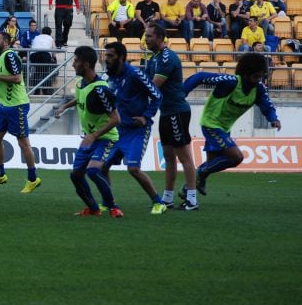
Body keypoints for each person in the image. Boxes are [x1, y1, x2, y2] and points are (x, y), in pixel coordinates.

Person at [183, 53, 280, 197]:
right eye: (255, 77)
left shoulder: (259, 89)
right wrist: (182, 93)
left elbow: (267, 106)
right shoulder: (231, 82)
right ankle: (200, 175)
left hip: (225, 128)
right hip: (211, 124)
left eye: (261, 77)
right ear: (245, 74)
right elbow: (200, 76)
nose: (258, 80)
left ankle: (188, 191)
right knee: (236, 157)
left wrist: (273, 118)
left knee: (211, 163)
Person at [54, 46, 123, 217]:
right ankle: (93, 209)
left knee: (93, 171)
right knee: (76, 175)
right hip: (90, 139)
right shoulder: (81, 84)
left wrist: (93, 135)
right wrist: (64, 106)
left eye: (75, 61)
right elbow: (80, 99)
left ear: (85, 64)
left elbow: (116, 119)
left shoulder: (101, 89)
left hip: (106, 138)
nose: (72, 65)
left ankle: (113, 206)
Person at [103, 42, 167, 214]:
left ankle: (158, 202)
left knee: (133, 169)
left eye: (110, 56)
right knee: (102, 166)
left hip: (137, 131)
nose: (106, 59)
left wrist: (146, 116)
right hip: (118, 130)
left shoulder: (135, 74)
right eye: (106, 55)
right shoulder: (110, 76)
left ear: (121, 57)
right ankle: (109, 202)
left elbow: (157, 95)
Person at [143, 24, 198, 210]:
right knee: (168, 156)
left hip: (177, 111)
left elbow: (153, 85)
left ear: (160, 37)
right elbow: (145, 80)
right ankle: (168, 197)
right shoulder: (154, 58)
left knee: (184, 157)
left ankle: (192, 199)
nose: (146, 39)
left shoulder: (166, 57)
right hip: (166, 111)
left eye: (149, 36)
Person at [0, 32, 41, 193]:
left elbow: (17, 78)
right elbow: (1, 79)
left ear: (6, 42)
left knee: (23, 143)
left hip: (18, 105)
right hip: (5, 105)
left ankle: (33, 178)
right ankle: (0, 174)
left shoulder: (10, 56)